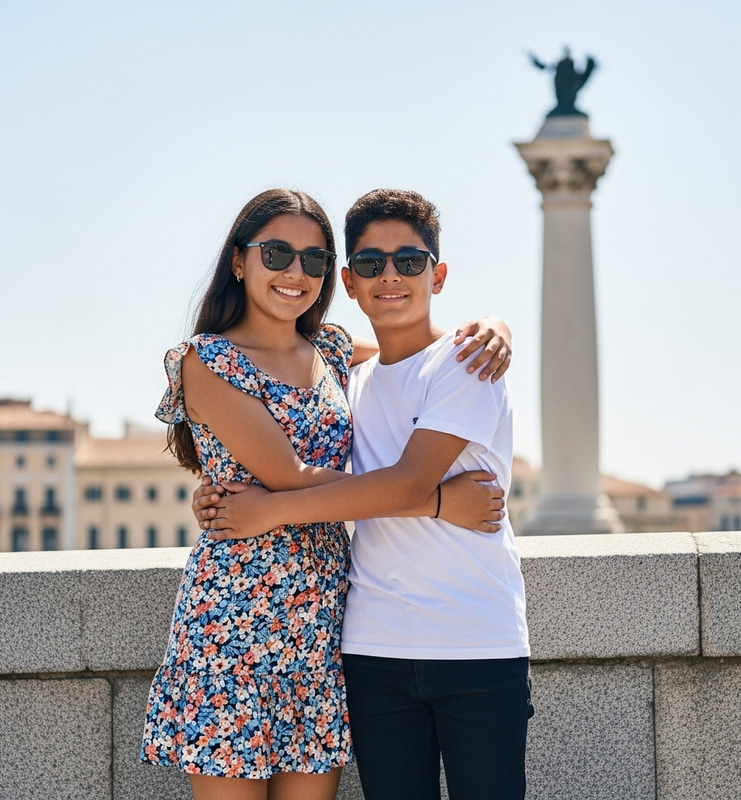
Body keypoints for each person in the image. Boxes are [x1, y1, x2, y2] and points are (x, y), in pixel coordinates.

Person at [139, 187, 512, 800]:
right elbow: (290, 475)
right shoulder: (206, 361)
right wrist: (439, 501)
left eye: (313, 260)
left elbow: (414, 345)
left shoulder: (333, 350)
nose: (295, 272)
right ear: (239, 262)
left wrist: (494, 328)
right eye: (276, 253)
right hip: (233, 619)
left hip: (322, 621)